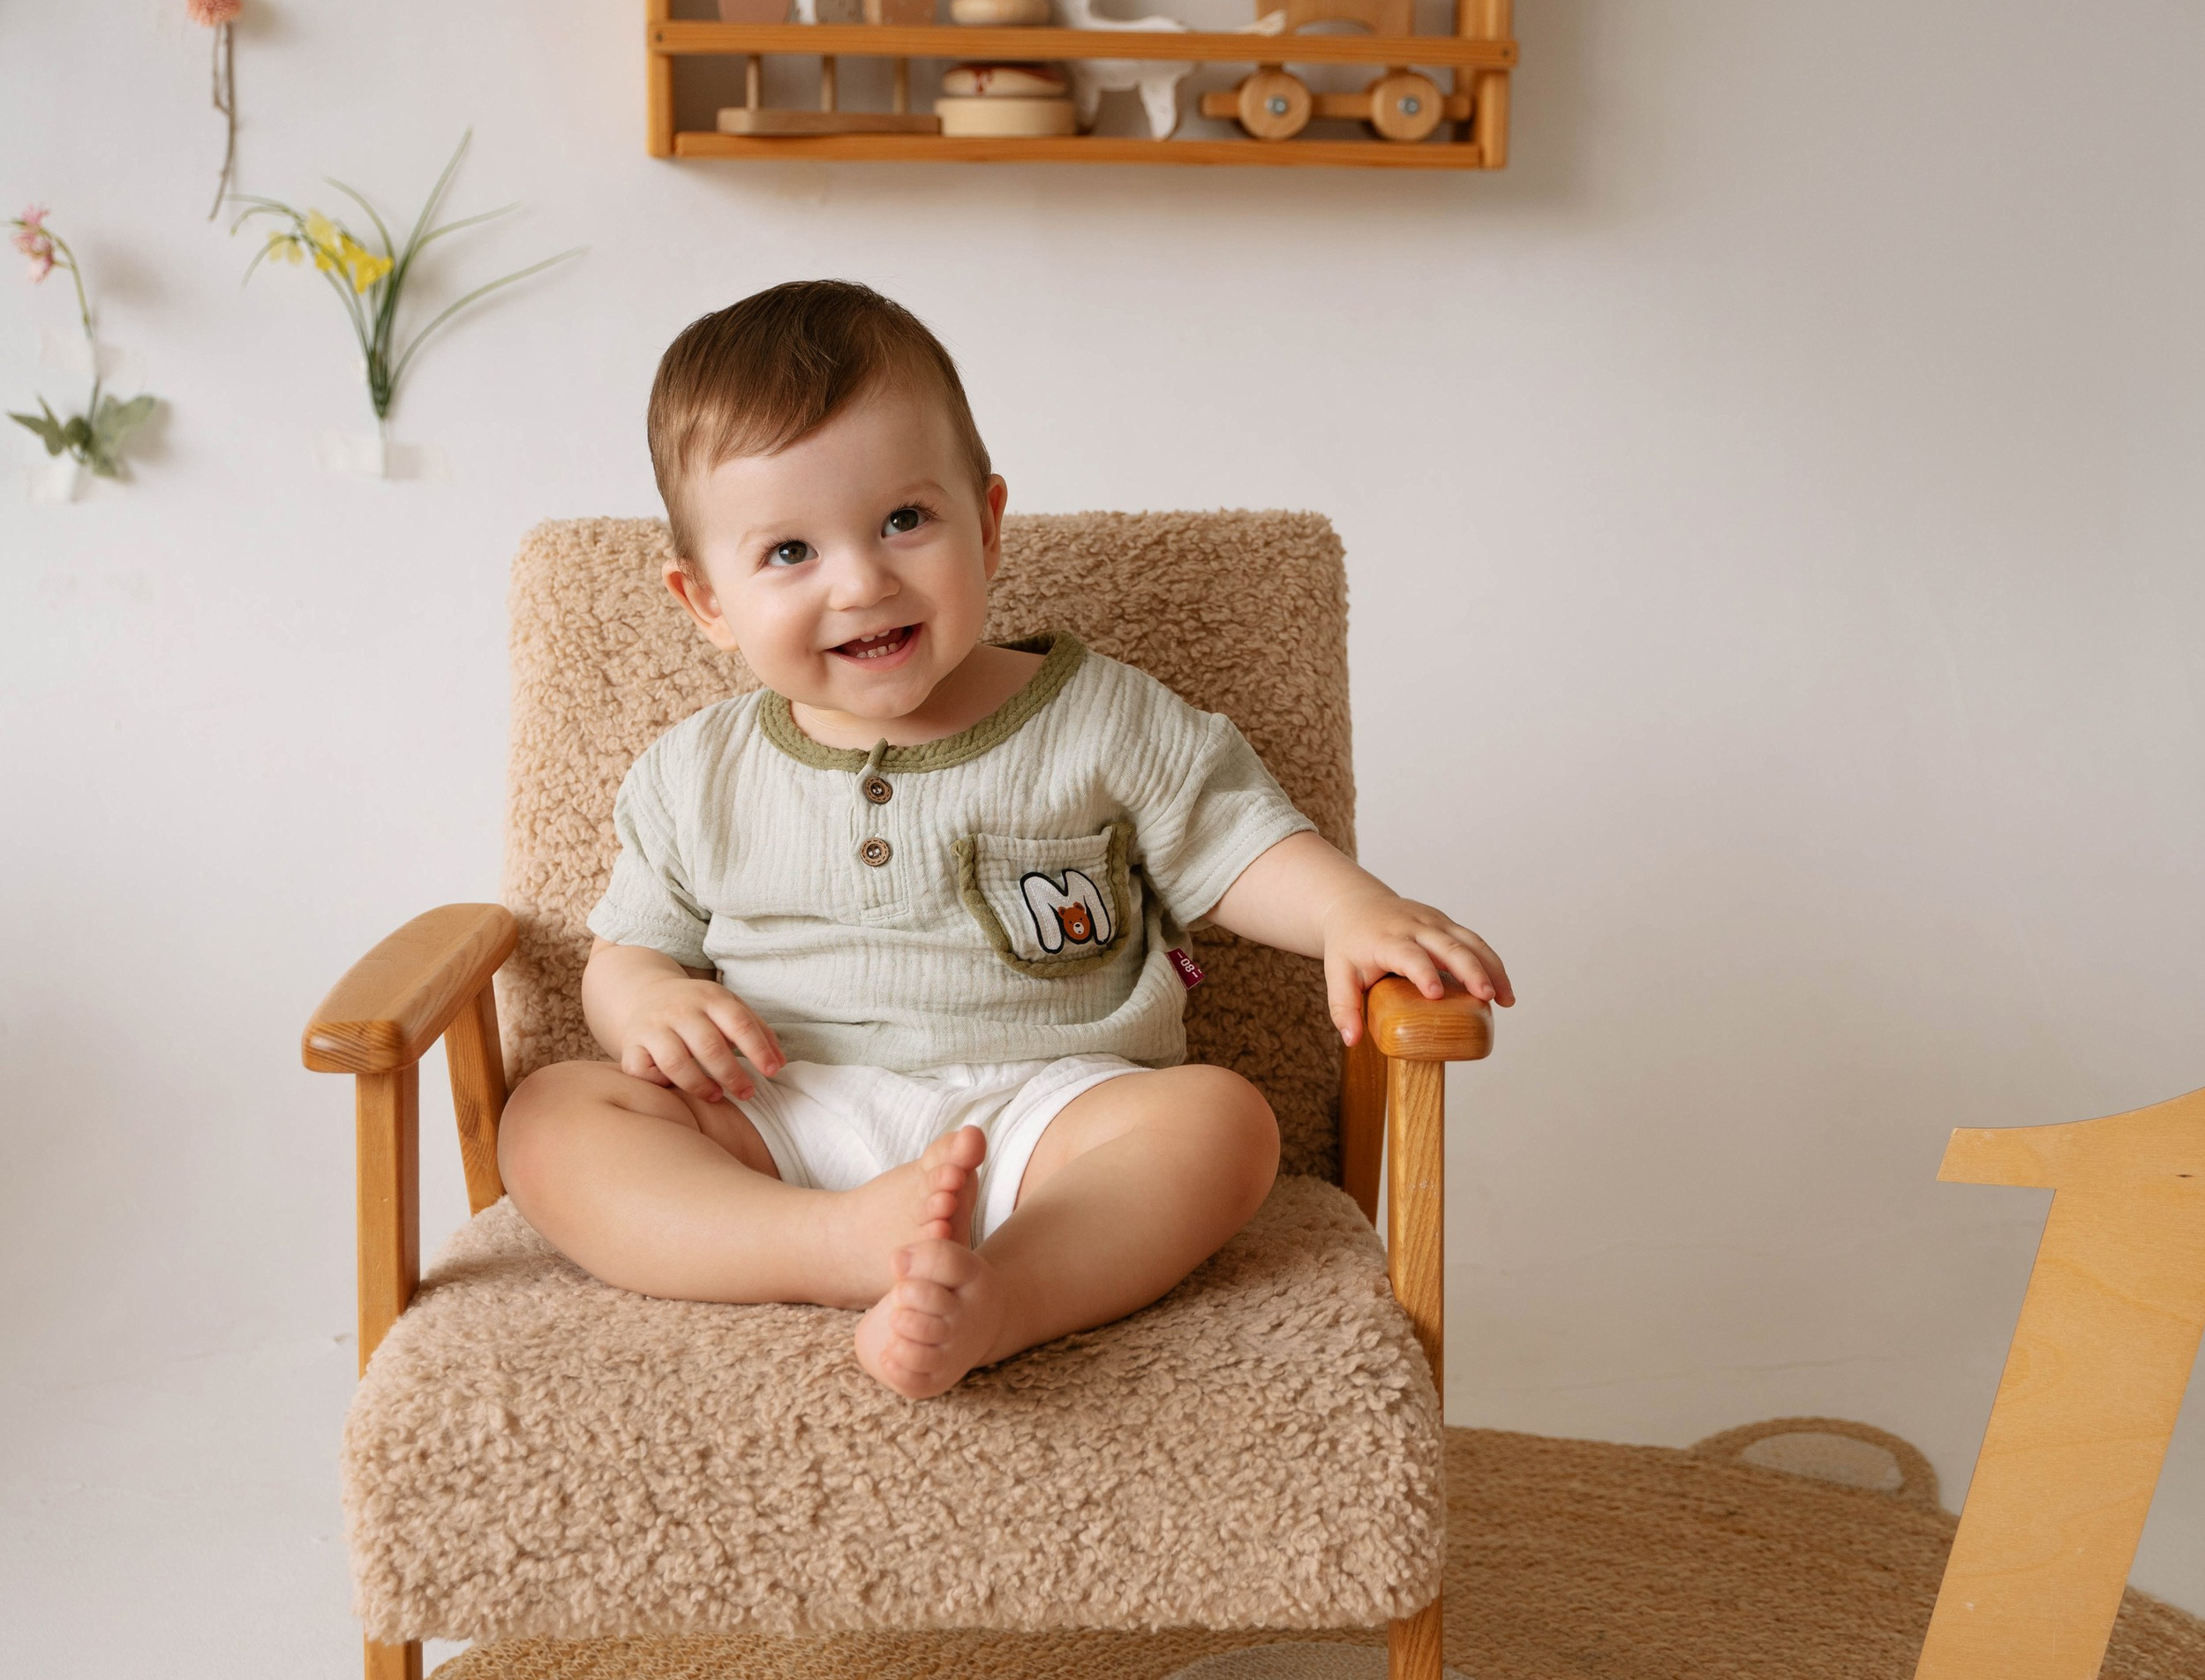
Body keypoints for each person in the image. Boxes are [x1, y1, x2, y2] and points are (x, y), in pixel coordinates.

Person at [498, 281, 1508, 1398]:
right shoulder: (696, 772)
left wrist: (1348, 913)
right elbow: (631, 946)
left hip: (1052, 1114)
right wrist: (646, 1002)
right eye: (788, 551)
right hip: (782, 1111)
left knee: (1222, 1121)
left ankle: (1004, 1298)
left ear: (984, 522)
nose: (861, 579)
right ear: (706, 603)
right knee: (554, 1118)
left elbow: (1238, 843)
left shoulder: (1101, 718)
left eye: (903, 521)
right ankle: (827, 1246)